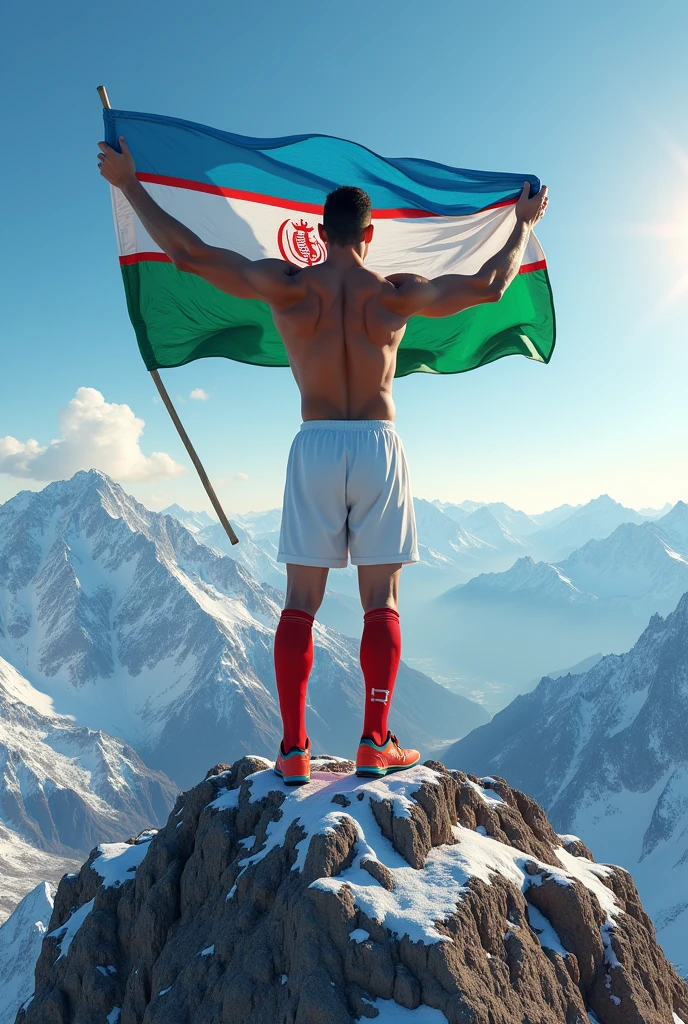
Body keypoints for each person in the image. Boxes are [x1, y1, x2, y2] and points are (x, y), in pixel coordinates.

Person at [98, 136, 548, 786]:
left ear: (318, 232)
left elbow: (187, 253)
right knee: (381, 598)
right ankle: (374, 740)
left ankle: (294, 748)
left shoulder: (287, 285)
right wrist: (520, 225)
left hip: (313, 444)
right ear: (368, 234)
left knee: (301, 602)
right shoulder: (395, 294)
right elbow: (489, 286)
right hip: (375, 443)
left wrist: (129, 183)